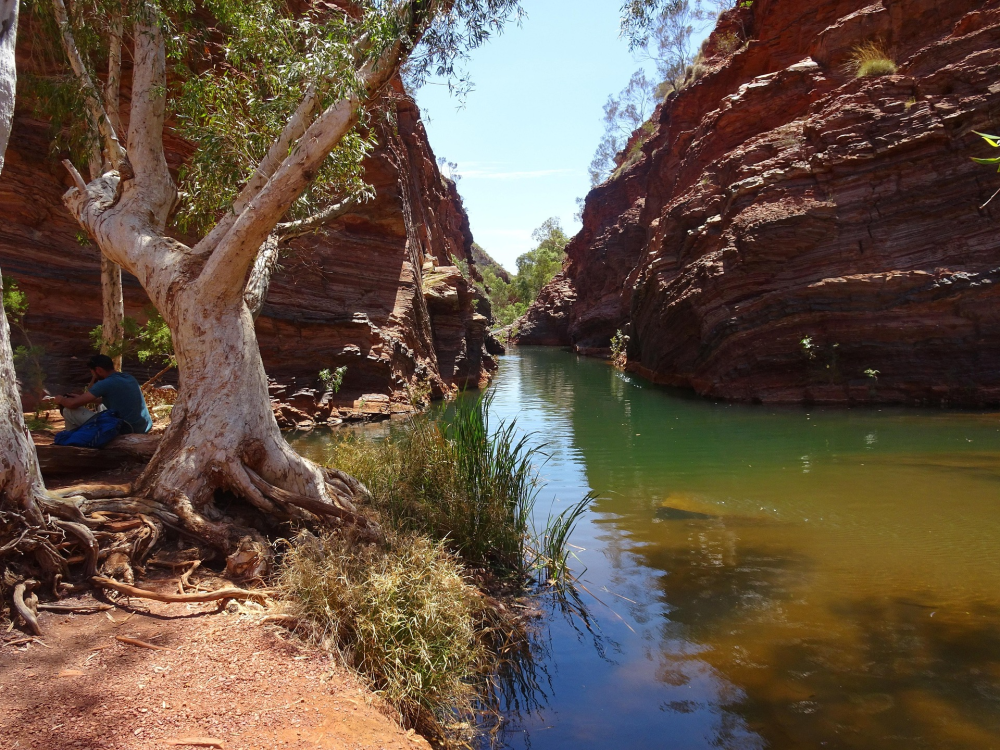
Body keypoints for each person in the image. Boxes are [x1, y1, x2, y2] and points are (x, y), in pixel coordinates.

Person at [52, 354, 153, 435]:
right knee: (102, 406)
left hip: (126, 429)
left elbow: (72, 404)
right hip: (143, 427)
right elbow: (112, 399)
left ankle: (72, 440)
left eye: (93, 373)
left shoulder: (105, 384)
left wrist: (60, 399)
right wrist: (82, 398)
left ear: (99, 370)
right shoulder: (128, 377)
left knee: (68, 411)